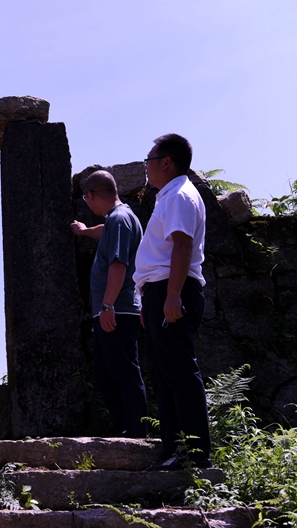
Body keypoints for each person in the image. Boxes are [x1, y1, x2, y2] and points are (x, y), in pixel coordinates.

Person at [133, 134, 212, 470]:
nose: (146, 167)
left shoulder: (180, 195)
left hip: (171, 289)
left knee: (179, 372)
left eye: (149, 160)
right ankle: (172, 450)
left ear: (167, 162)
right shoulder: (168, 196)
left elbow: (181, 246)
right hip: (160, 292)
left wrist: (172, 295)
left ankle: (194, 454)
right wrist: (148, 299)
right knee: (164, 375)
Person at [71, 170, 147, 438]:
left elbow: (118, 265)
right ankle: (127, 428)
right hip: (114, 309)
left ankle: (138, 433)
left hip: (117, 310)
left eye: (85, 197)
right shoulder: (119, 218)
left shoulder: (120, 220)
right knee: (106, 374)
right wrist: (84, 232)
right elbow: (106, 231)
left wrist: (107, 306)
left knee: (124, 372)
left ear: (90, 195)